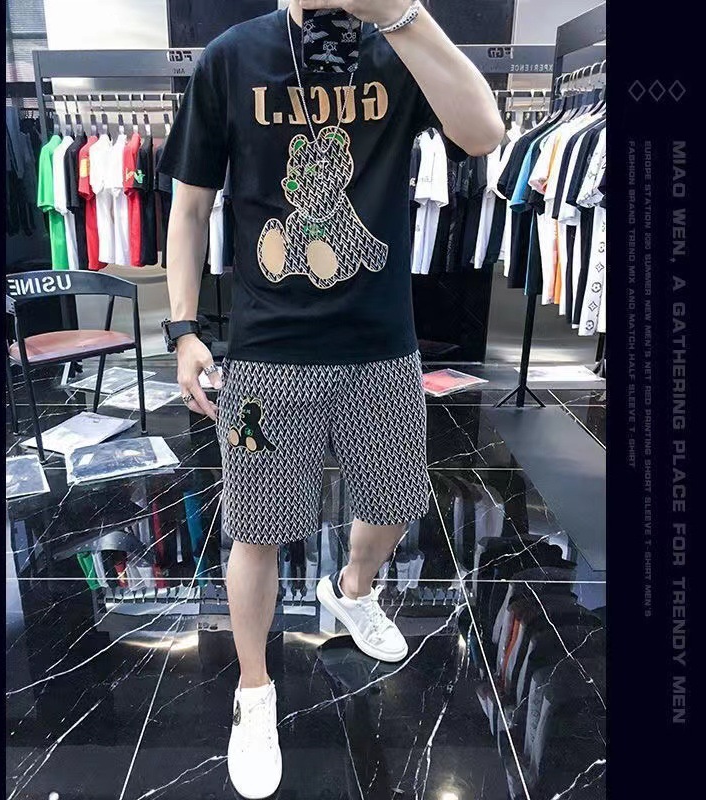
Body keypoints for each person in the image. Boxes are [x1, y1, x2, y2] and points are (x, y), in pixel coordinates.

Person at [158, 1, 503, 796]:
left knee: (395, 501)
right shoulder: (230, 58)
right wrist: (182, 329)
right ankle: (254, 692)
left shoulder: (396, 45)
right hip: (265, 357)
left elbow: (483, 133)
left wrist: (401, 13)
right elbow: (190, 207)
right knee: (255, 529)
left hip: (382, 346)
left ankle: (351, 590)